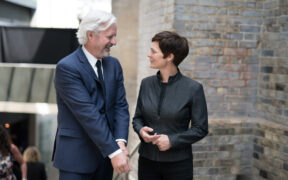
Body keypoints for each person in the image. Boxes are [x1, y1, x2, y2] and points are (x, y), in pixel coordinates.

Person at [52, 10, 131, 180]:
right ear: (90, 35)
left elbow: (120, 106)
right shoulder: (67, 67)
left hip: (106, 160)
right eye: (110, 37)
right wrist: (115, 152)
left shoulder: (114, 65)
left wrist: (120, 141)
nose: (114, 42)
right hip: (75, 160)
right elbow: (88, 114)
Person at [132, 31, 209, 180]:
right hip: (147, 162)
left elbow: (200, 128)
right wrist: (141, 130)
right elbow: (137, 118)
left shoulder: (193, 89)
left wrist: (172, 141)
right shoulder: (146, 84)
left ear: (169, 57)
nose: (149, 55)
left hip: (178, 165)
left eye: (153, 51)